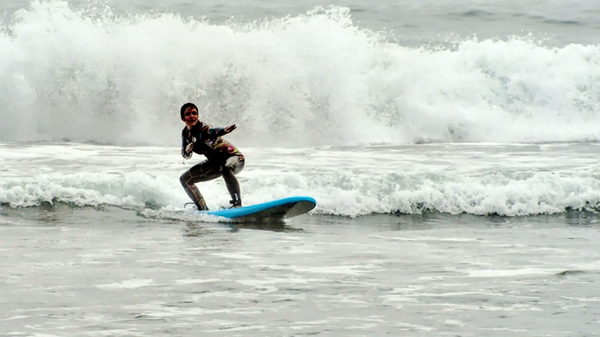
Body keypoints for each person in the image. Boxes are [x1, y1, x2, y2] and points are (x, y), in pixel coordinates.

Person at [179, 102, 244, 210]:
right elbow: (185, 155)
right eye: (188, 114)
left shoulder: (203, 128)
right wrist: (187, 151)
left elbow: (213, 131)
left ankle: (237, 204)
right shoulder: (185, 134)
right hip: (216, 164)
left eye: (194, 113)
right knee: (185, 179)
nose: (192, 116)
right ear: (183, 118)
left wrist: (224, 130)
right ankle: (202, 208)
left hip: (235, 158)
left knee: (226, 167)